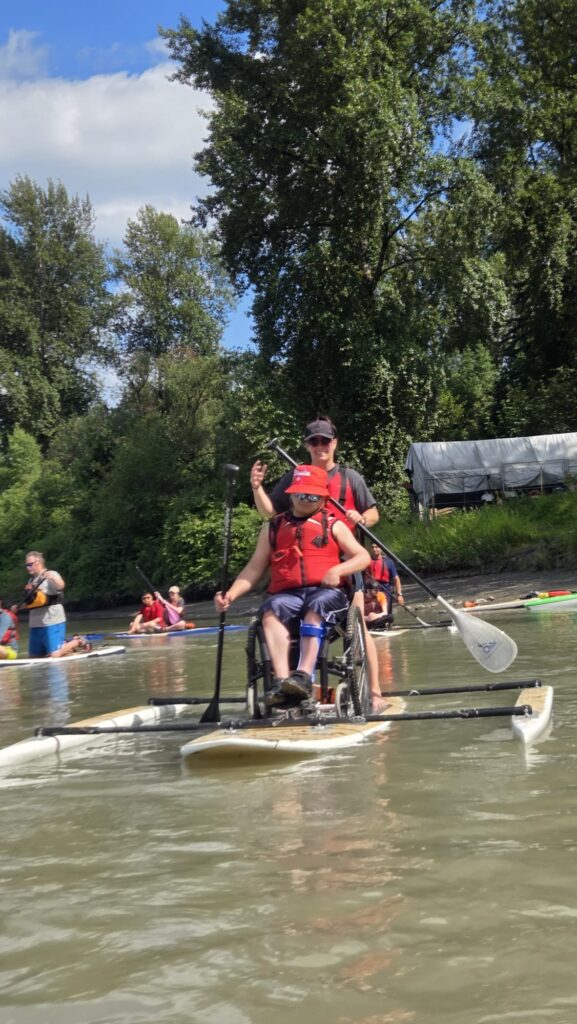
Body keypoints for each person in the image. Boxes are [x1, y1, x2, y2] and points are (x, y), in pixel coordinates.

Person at [250, 417, 387, 711]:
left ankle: (375, 693)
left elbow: (373, 513)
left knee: (358, 627)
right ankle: (294, 685)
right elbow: (270, 512)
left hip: (345, 562)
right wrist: (257, 488)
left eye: (325, 441)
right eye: (314, 441)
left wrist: (361, 518)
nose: (320, 446)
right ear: (307, 445)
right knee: (288, 617)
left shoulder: (350, 477)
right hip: (304, 568)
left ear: (334, 443)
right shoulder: (294, 477)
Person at [216, 464, 370, 706]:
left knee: (316, 606)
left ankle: (303, 677)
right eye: (300, 494)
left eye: (312, 496)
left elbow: (363, 557)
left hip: (326, 594)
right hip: (288, 595)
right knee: (270, 610)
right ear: (291, 495)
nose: (305, 499)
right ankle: (282, 681)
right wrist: (230, 595)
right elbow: (253, 569)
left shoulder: (334, 525)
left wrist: (337, 570)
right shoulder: (273, 528)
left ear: (323, 497)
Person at [12, 551, 68, 657]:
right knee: (33, 656)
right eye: (26, 565)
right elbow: (33, 602)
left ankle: (77, 641)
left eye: (30, 564)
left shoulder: (52, 574)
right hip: (35, 624)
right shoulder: (31, 580)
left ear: (38, 562)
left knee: (54, 655)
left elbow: (61, 586)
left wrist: (53, 578)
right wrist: (18, 607)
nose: (27, 567)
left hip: (52, 622)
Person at [368, 543, 404, 617]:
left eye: (376, 547)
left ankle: (387, 621)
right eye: (372, 547)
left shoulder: (389, 562)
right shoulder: (367, 562)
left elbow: (396, 579)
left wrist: (399, 595)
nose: (374, 549)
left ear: (381, 548)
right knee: (372, 613)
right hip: (372, 591)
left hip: (386, 590)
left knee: (386, 613)